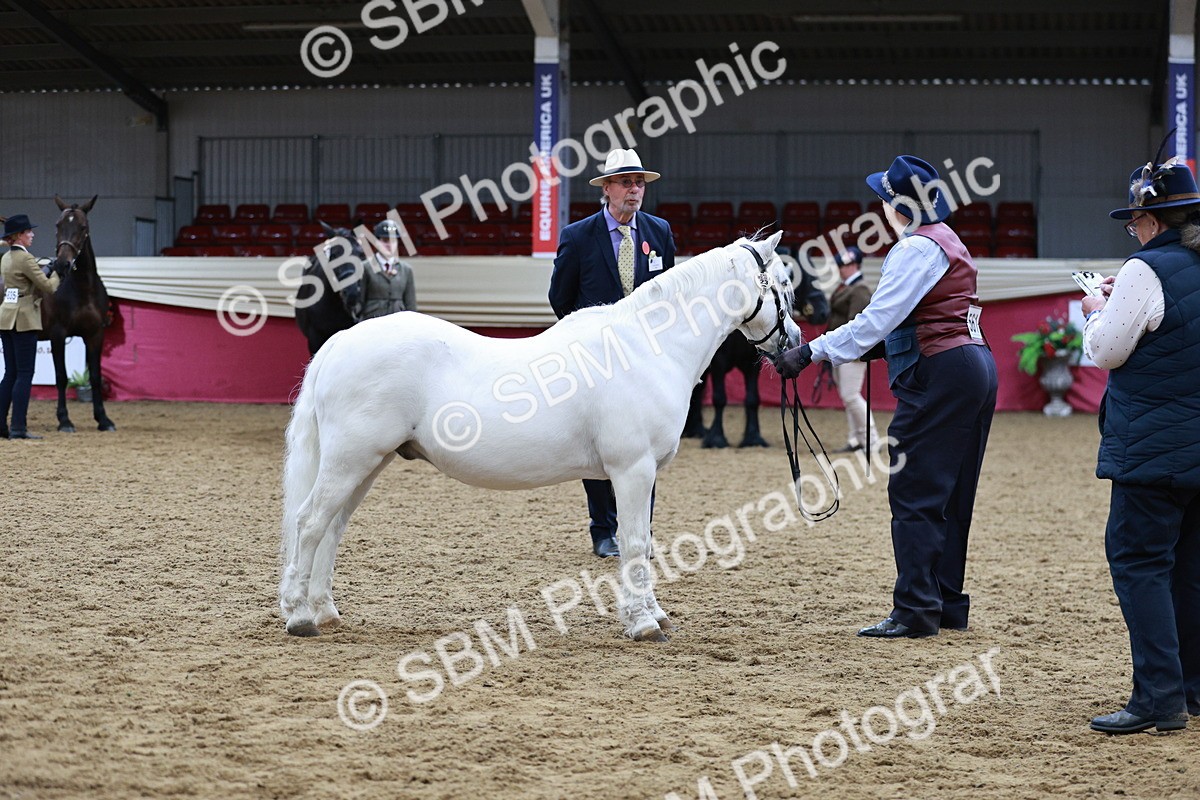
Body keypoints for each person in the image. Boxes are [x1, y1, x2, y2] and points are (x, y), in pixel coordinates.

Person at [775, 155, 998, 638]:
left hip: (943, 370)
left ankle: (916, 609)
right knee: (953, 492)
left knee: (914, 489)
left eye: (883, 200)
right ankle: (944, 603)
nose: (879, 207)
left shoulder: (914, 248)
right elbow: (907, 320)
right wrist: (883, 347)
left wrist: (811, 352)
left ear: (897, 205)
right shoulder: (949, 241)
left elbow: (876, 319)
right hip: (974, 364)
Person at [1081, 154, 1200, 735]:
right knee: (1191, 569)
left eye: (1135, 221)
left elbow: (1105, 351)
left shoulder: (1143, 269)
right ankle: (1193, 689)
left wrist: (1094, 312)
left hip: (1153, 446)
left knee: (1140, 564)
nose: (1134, 231)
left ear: (1153, 219)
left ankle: (1158, 696)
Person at [548, 148, 677, 557]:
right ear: (606, 189)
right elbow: (559, 298)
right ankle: (603, 531)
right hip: (595, 359)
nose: (634, 190)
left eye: (639, 182)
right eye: (625, 182)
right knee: (603, 448)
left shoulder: (659, 232)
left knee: (644, 449)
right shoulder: (578, 235)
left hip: (645, 361)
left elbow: (668, 294)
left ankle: (639, 531)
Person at [0, 214, 59, 440]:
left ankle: (2, 425)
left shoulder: (6, 258)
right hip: (23, 319)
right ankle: (18, 427)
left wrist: (44, 270)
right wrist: (58, 272)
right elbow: (48, 287)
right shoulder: (25, 259)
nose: (32, 234)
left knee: (10, 374)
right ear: (18, 236)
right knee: (25, 374)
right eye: (28, 232)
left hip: (6, 316)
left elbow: (23, 282)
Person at [824, 245, 878, 454]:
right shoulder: (846, 286)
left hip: (852, 352)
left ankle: (871, 440)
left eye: (844, 265)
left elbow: (856, 324)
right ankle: (856, 438)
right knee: (848, 396)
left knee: (851, 396)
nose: (840, 268)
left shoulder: (859, 289)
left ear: (854, 264)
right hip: (841, 350)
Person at [359, 219, 417, 319]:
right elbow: (360, 301)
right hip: (372, 321)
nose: (389, 244)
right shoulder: (365, 267)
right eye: (385, 240)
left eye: (393, 241)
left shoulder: (406, 270)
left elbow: (410, 303)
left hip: (398, 322)